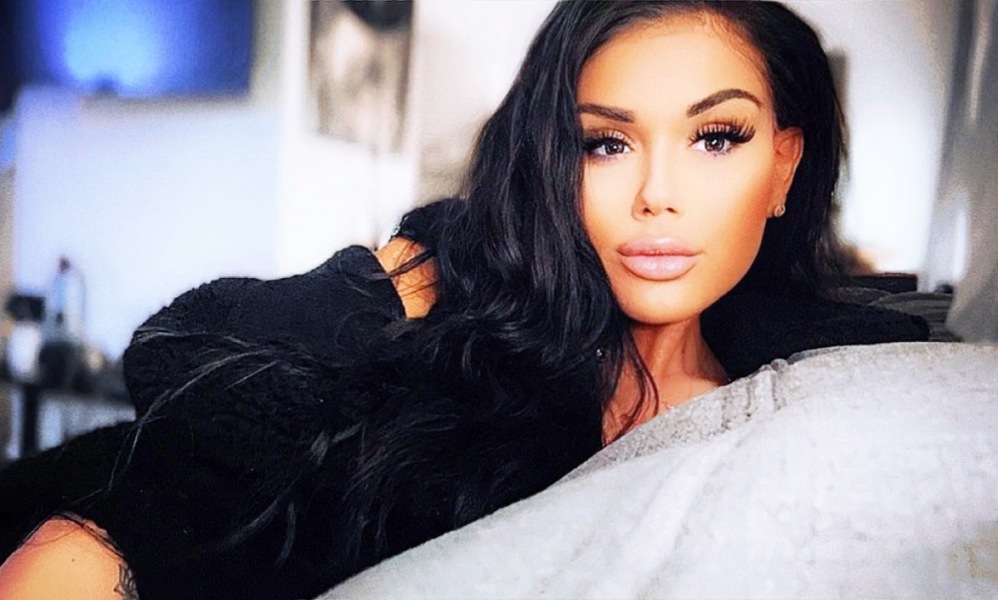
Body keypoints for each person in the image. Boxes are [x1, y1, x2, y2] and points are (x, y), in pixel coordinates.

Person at [0, 2, 929, 598]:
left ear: (784, 165)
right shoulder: (470, 321)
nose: (658, 194)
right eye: (604, 144)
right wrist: (410, 272)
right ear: (552, 164)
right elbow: (174, 356)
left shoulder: (818, 388)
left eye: (716, 137)